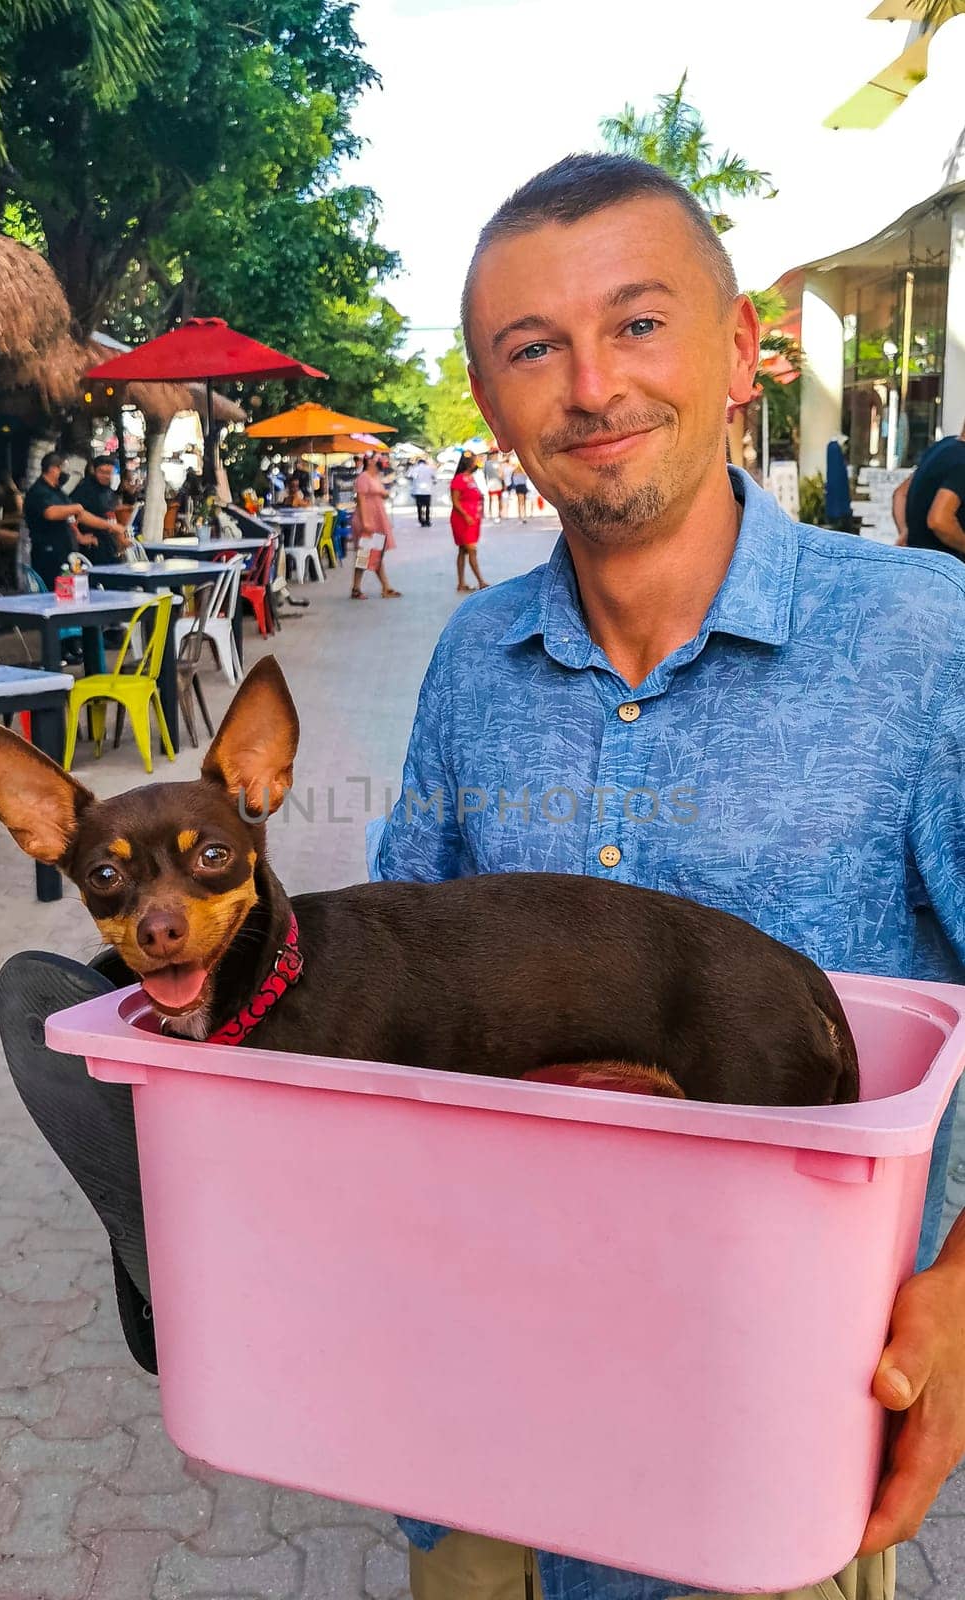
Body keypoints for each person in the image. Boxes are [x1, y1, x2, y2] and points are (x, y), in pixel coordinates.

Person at [373, 153, 965, 1600]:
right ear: (491, 397)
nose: (591, 386)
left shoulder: (925, 640)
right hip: (481, 1427)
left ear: (739, 345)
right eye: (532, 349)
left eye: (638, 324)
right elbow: (390, 972)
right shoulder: (471, 661)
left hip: (766, 1438)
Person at [22, 452, 116, 590]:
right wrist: (75, 508)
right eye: (63, 469)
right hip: (47, 552)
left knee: (69, 592)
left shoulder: (58, 492)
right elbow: (50, 513)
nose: (66, 474)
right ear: (53, 469)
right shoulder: (39, 491)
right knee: (54, 593)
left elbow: (77, 516)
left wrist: (81, 535)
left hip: (65, 551)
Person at [892, 422, 965, 556]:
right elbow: (938, 521)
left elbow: (900, 494)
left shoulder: (944, 446)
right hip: (945, 568)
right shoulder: (962, 461)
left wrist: (906, 533)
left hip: (918, 561)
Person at [350, 453, 400, 599]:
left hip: (377, 520)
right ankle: (356, 587)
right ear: (371, 461)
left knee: (378, 553)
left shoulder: (376, 477)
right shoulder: (364, 477)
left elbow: (380, 493)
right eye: (379, 459)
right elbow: (361, 499)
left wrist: (384, 493)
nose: (382, 462)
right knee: (364, 554)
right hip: (367, 521)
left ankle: (386, 587)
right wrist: (366, 522)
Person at [71, 456, 130, 564]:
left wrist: (120, 537)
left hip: (109, 544)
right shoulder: (84, 489)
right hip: (92, 545)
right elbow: (74, 515)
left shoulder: (108, 491)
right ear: (94, 470)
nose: (106, 476)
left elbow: (111, 515)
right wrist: (79, 536)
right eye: (102, 472)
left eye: (109, 473)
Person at [449, 449, 489, 593]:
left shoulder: (470, 478)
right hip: (463, 520)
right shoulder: (459, 479)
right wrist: (466, 515)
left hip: (472, 519)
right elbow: (455, 500)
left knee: (463, 550)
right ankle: (481, 581)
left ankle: (461, 583)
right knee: (471, 550)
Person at [408, 458, 436, 526]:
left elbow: (409, 476)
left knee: (419, 507)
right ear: (425, 463)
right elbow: (434, 478)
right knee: (427, 507)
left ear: (418, 463)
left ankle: (421, 521)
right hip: (427, 491)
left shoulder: (415, 468)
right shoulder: (429, 468)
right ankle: (427, 521)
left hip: (418, 491)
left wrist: (415, 481)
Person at [483, 450, 506, 521]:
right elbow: (501, 474)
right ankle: (498, 513)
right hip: (496, 482)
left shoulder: (486, 463)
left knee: (492, 498)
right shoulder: (497, 463)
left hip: (491, 483)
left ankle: (492, 513)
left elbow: (484, 474)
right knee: (498, 498)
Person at [508, 454, 529, 521]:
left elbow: (513, 480)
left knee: (520, 501)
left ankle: (520, 514)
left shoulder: (514, 471)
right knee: (523, 501)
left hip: (519, 486)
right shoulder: (523, 471)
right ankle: (524, 514)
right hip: (523, 485)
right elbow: (526, 478)